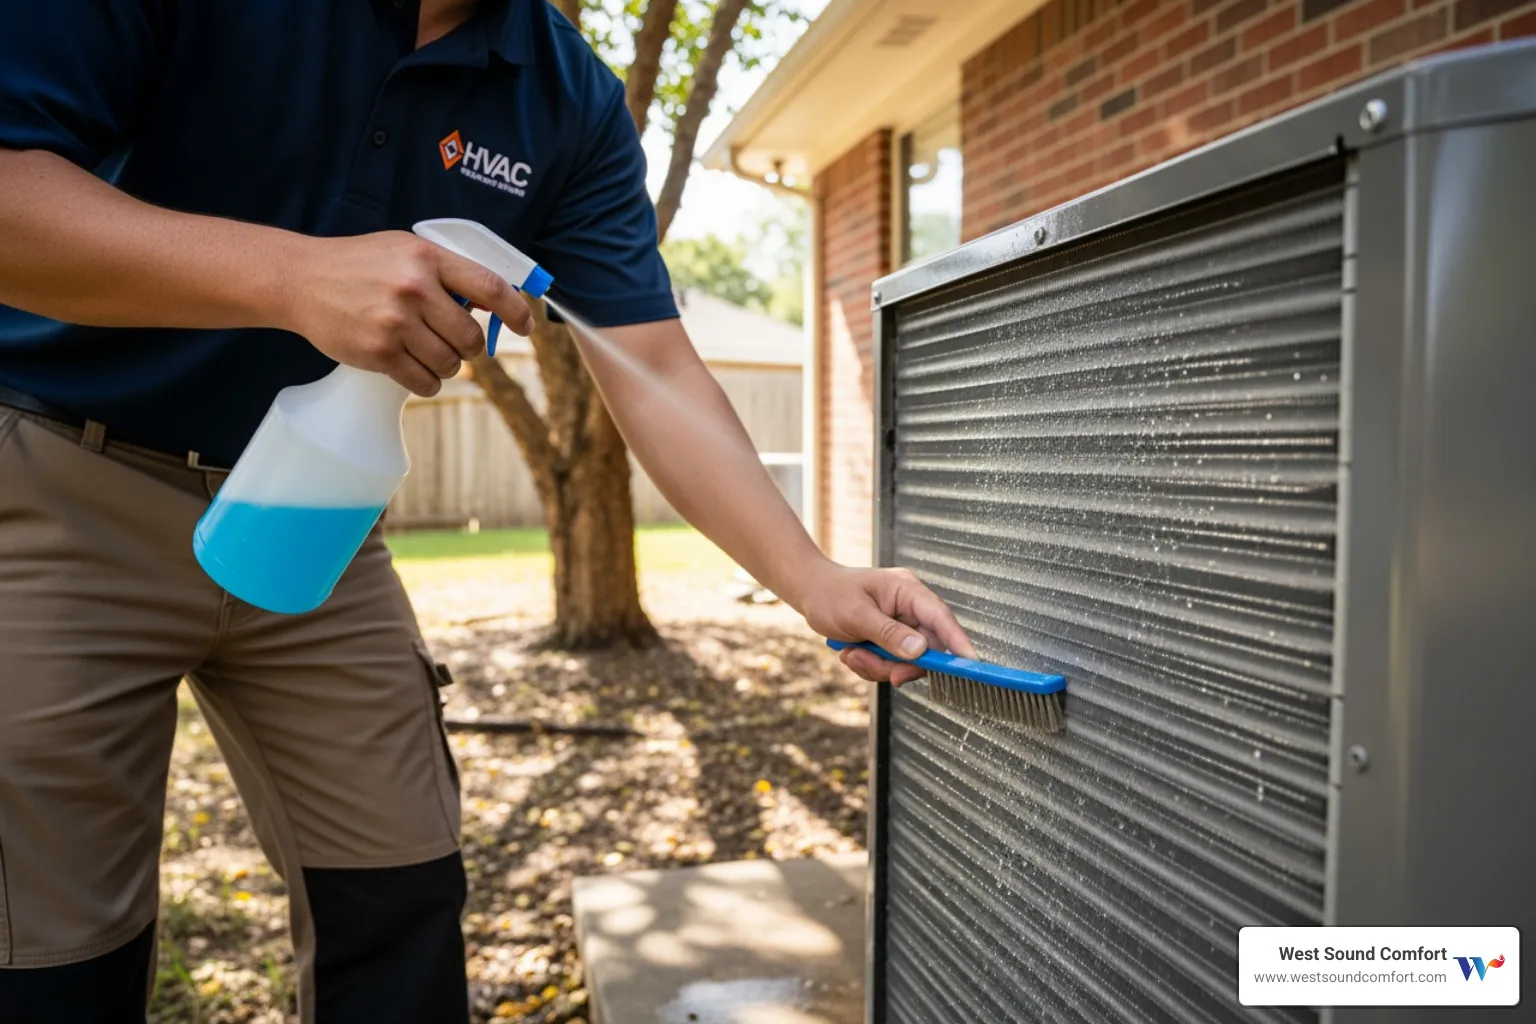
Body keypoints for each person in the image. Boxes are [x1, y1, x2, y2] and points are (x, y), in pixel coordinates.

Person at [0, 0, 976, 1020]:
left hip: (317, 518)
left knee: (401, 889)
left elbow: (650, 363)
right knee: (56, 954)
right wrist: (292, 277)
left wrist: (813, 578)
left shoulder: (567, 97)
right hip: (66, 478)